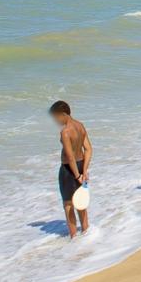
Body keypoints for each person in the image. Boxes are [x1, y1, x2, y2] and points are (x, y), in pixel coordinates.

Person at [49, 100, 93, 238]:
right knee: (81, 203)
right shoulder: (80, 126)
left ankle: (73, 238)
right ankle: (86, 233)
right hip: (80, 166)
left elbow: (70, 157)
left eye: (56, 117)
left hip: (69, 170)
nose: (56, 120)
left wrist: (76, 175)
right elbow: (88, 149)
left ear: (63, 114)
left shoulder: (65, 132)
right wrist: (84, 171)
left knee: (68, 205)